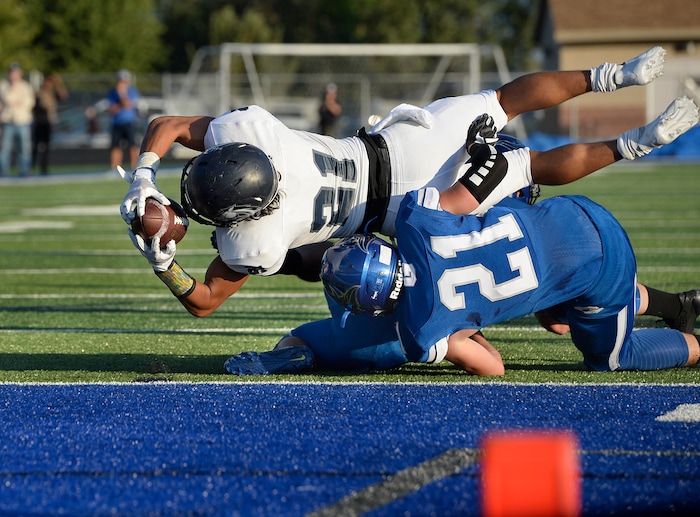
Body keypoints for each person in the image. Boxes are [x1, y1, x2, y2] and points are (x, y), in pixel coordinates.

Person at [120, 47, 681, 320]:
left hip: (410, 210)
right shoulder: (258, 132)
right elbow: (166, 127)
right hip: (405, 144)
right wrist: (144, 171)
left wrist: (164, 264)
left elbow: (204, 302)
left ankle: (637, 142)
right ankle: (612, 77)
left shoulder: (255, 240)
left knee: (528, 173)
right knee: (504, 101)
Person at [224, 115, 700, 376]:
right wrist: (486, 153)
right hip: (570, 213)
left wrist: (454, 338)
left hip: (601, 261)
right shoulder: (414, 222)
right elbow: (476, 187)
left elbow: (492, 368)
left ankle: (695, 346)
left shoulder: (423, 326)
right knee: (558, 318)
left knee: (612, 359)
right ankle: (670, 305)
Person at [0, 62, 35, 177]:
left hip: (22, 121)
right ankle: (3, 171)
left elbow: (29, 103)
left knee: (24, 148)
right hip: (7, 121)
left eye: (16, 72)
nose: (14, 75)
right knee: (5, 148)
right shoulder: (3, 85)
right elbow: (3, 102)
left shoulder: (26, 86)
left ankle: (25, 170)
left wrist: (13, 103)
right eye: (12, 72)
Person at [32, 72, 68, 175]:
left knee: (46, 147)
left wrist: (58, 82)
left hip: (48, 122)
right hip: (39, 122)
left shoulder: (52, 94)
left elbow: (63, 95)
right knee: (35, 146)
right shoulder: (38, 93)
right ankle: (31, 167)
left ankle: (44, 168)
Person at [108, 69, 140, 170]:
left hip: (129, 122)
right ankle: (115, 168)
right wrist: (120, 104)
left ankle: (134, 167)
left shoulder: (132, 91)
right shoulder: (112, 92)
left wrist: (122, 94)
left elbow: (127, 104)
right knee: (115, 146)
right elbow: (112, 109)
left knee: (132, 145)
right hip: (117, 122)